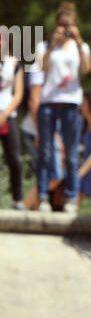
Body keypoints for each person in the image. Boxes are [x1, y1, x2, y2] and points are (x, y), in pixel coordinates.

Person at [32, 1, 91, 213]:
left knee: (72, 154)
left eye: (69, 25)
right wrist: (51, 45)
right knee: (45, 152)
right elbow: (40, 67)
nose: (65, 30)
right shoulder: (44, 46)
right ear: (56, 24)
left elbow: (86, 69)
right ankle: (42, 196)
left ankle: (71, 197)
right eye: (62, 25)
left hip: (71, 103)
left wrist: (78, 40)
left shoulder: (81, 47)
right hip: (48, 102)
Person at [0, 32, 24, 208]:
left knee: (15, 159)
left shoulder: (14, 62)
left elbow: (19, 93)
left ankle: (18, 199)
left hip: (8, 115)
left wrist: (4, 113)